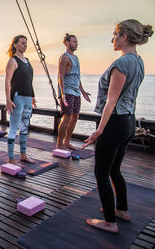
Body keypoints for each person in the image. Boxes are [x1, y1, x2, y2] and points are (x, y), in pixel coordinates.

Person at [83, 19, 153, 233]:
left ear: (124, 36)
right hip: (128, 123)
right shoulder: (139, 61)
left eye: (114, 34)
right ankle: (122, 210)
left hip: (114, 123)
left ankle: (110, 222)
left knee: (101, 172)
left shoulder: (122, 63)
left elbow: (111, 102)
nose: (112, 39)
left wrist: (99, 130)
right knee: (114, 169)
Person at [5, 35, 37, 165]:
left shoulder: (27, 61)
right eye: (22, 43)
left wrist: (33, 96)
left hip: (28, 98)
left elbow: (29, 81)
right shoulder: (13, 61)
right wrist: (8, 100)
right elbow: (7, 81)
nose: (24, 45)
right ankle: (11, 158)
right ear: (15, 45)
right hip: (17, 98)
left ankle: (23, 154)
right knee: (13, 128)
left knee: (24, 127)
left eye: (26, 43)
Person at [57, 34, 91, 150]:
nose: (76, 43)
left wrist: (83, 91)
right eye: (73, 41)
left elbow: (77, 76)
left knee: (75, 116)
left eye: (76, 42)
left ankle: (67, 141)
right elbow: (60, 77)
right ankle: (59, 144)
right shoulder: (64, 58)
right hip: (67, 91)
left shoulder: (75, 58)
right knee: (67, 116)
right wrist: (62, 94)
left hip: (76, 92)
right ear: (66, 43)